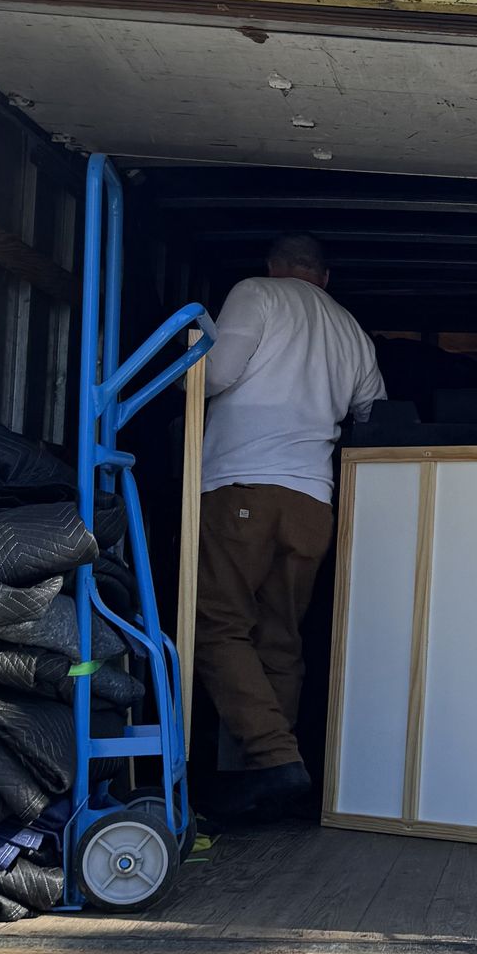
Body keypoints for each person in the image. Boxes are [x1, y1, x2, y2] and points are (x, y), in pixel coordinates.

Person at [195, 234, 384, 822]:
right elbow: (372, 412)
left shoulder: (256, 292)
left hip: (242, 484)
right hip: (312, 499)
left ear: (275, 265)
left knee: (215, 625)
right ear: (323, 277)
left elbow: (218, 374)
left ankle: (273, 758)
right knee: (280, 638)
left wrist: (175, 385)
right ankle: (267, 787)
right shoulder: (351, 327)